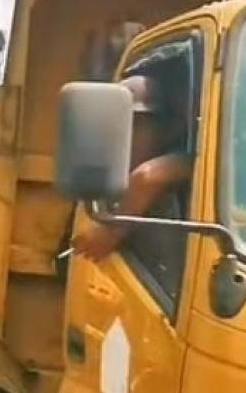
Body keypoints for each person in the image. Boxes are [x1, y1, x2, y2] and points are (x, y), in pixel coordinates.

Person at [73, 74, 192, 262]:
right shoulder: (111, 175)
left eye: (136, 125)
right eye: (117, 126)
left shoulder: (188, 158)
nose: (123, 137)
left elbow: (148, 178)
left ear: (166, 128)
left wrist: (111, 232)